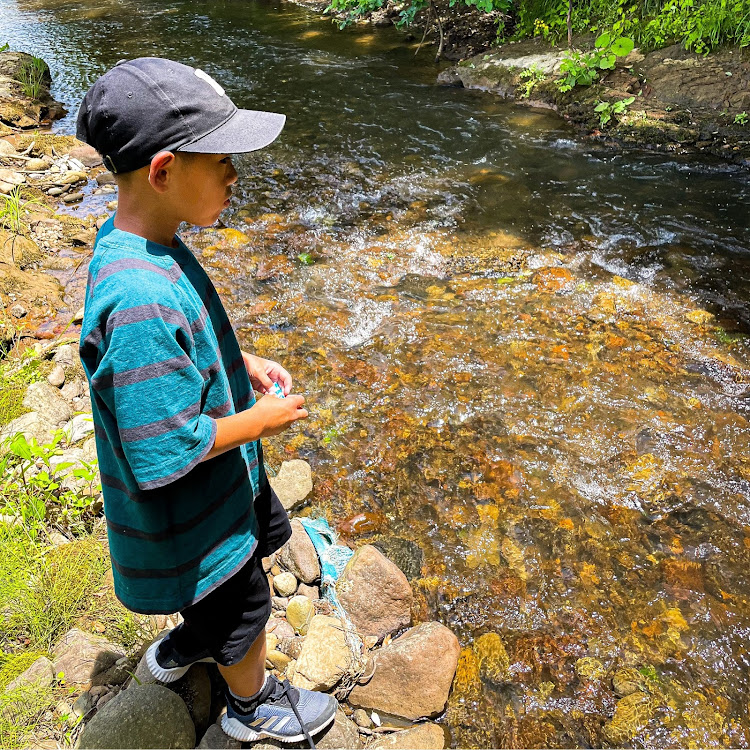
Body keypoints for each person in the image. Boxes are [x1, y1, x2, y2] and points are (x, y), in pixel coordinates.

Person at [76, 57, 336, 746]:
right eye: (221, 160)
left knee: (221, 600)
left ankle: (194, 640)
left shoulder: (145, 243)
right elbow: (162, 449)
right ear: (163, 172)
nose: (234, 176)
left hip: (210, 503)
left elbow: (177, 351)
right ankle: (254, 705)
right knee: (244, 606)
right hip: (194, 519)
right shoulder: (136, 298)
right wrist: (260, 421)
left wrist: (236, 362)